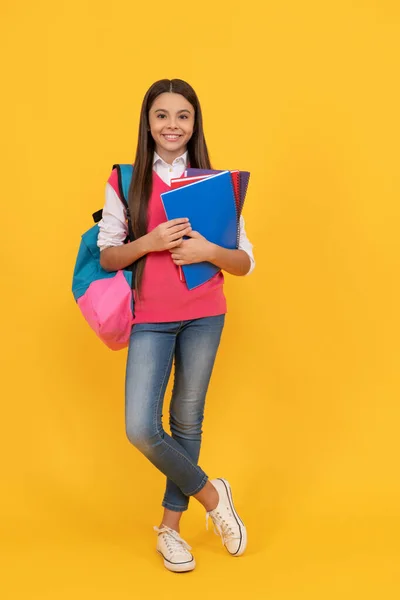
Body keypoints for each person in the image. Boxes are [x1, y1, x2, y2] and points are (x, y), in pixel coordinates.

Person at [97, 79, 255, 572]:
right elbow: (107, 256)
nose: (172, 125)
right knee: (142, 428)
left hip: (206, 312)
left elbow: (244, 261)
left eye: (182, 116)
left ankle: (170, 530)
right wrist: (150, 241)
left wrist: (209, 251)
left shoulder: (215, 183)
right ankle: (212, 495)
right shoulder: (125, 179)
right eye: (162, 115)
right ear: (148, 122)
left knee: (187, 422)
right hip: (151, 317)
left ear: (194, 123)